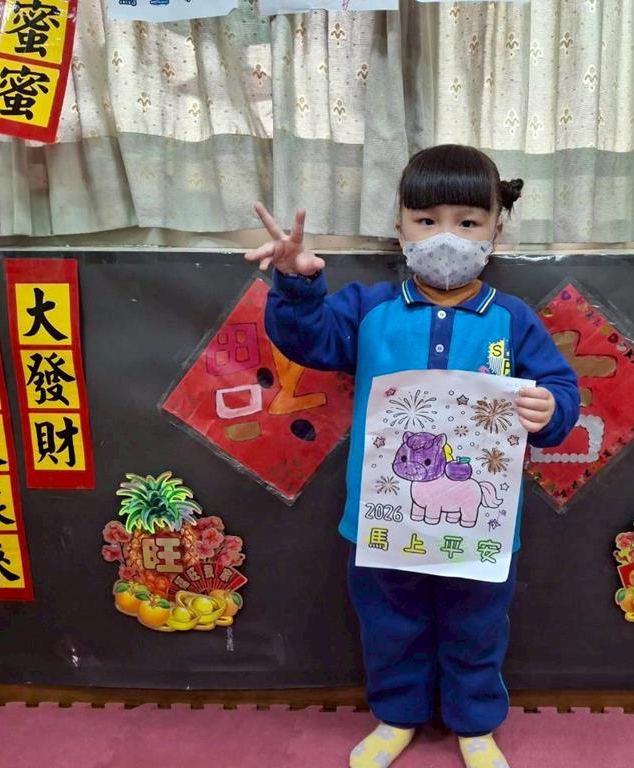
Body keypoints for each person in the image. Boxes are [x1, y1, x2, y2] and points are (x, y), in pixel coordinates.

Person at [246, 144, 579, 768]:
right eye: (426, 221)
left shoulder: (512, 319)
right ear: (399, 227)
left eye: (468, 222)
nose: (446, 238)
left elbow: (559, 390)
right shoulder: (369, 308)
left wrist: (550, 409)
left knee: (477, 626)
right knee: (389, 623)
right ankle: (397, 716)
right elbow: (306, 340)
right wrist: (295, 282)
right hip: (383, 518)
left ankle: (475, 725)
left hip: (479, 525)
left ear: (496, 232)